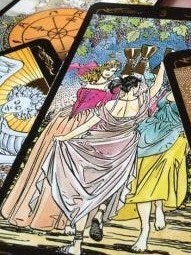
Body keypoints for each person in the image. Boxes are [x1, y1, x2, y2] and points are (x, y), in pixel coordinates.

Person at [43, 74, 159, 255]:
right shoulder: (140, 103)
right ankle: (99, 214)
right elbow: (157, 85)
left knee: (83, 196)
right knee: (110, 187)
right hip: (121, 155)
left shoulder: (110, 105)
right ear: (136, 88)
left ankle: (76, 246)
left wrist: (64, 137)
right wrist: (164, 66)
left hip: (94, 151)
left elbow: (85, 126)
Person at [1, 59, 121, 231]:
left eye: (114, 70)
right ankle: (29, 210)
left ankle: (58, 217)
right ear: (103, 68)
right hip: (65, 120)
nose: (110, 72)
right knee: (45, 160)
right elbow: (72, 69)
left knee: (67, 169)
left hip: (85, 125)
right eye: (109, 68)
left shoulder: (111, 90)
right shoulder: (88, 78)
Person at [113, 79, 189, 252]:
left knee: (154, 181)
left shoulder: (190, 94)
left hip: (174, 138)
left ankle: (149, 224)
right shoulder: (165, 91)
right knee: (143, 183)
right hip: (149, 134)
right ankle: (146, 226)